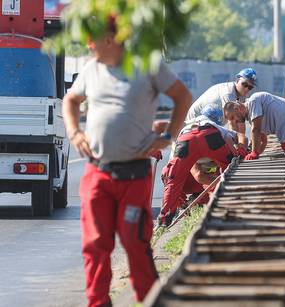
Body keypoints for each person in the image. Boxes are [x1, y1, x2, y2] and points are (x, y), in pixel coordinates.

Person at [62, 24, 192, 306]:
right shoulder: (91, 70)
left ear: (109, 39)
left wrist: (169, 135)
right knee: (95, 245)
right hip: (98, 174)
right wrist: (74, 132)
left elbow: (182, 96)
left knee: (135, 242)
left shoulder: (147, 65)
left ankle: (149, 300)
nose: (88, 47)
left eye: (91, 41)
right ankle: (98, 302)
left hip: (134, 176)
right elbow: (70, 100)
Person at [224, 92, 285, 213]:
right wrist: (255, 152)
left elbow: (256, 129)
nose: (235, 121)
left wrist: (254, 152)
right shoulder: (253, 115)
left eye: (234, 117)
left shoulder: (254, 102)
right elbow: (263, 139)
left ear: (237, 108)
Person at [159, 104, 240, 226]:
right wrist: (240, 151)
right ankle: (234, 196)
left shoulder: (187, 125)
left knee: (171, 177)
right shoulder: (215, 126)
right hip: (209, 136)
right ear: (218, 119)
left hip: (186, 141)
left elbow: (172, 171)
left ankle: (165, 218)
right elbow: (234, 137)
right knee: (232, 168)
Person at [186, 68, 257, 145]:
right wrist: (238, 145)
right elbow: (232, 122)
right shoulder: (229, 94)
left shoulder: (242, 94)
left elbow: (241, 122)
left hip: (212, 120)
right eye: (244, 84)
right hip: (196, 118)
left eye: (250, 87)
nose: (247, 89)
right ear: (237, 81)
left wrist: (242, 143)